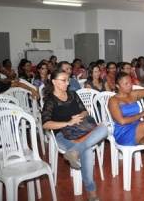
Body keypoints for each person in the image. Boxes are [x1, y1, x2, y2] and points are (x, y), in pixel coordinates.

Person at [42, 68, 108, 201]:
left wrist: (79, 116)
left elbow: (85, 112)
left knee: (104, 129)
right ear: (54, 81)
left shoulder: (73, 95)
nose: (68, 83)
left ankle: (75, 152)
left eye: (68, 80)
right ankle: (91, 191)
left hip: (81, 130)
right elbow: (46, 124)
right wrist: (68, 122)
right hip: (63, 134)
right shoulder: (50, 101)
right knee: (87, 150)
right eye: (64, 80)